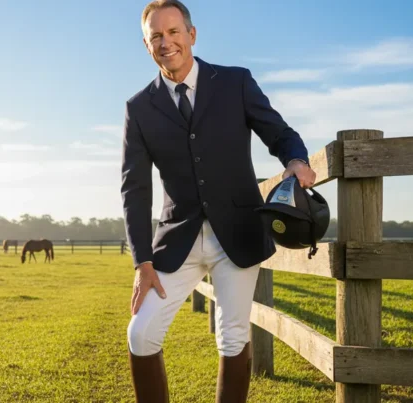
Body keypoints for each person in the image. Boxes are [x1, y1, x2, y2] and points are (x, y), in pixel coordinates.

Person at [120, 1, 316, 402]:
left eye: (174, 32)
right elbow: (134, 189)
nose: (166, 42)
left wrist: (296, 161)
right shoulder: (138, 108)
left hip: (238, 233)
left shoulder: (235, 82)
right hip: (177, 242)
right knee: (141, 333)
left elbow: (278, 132)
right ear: (146, 45)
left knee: (233, 335)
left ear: (192, 34)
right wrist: (142, 262)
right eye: (156, 36)